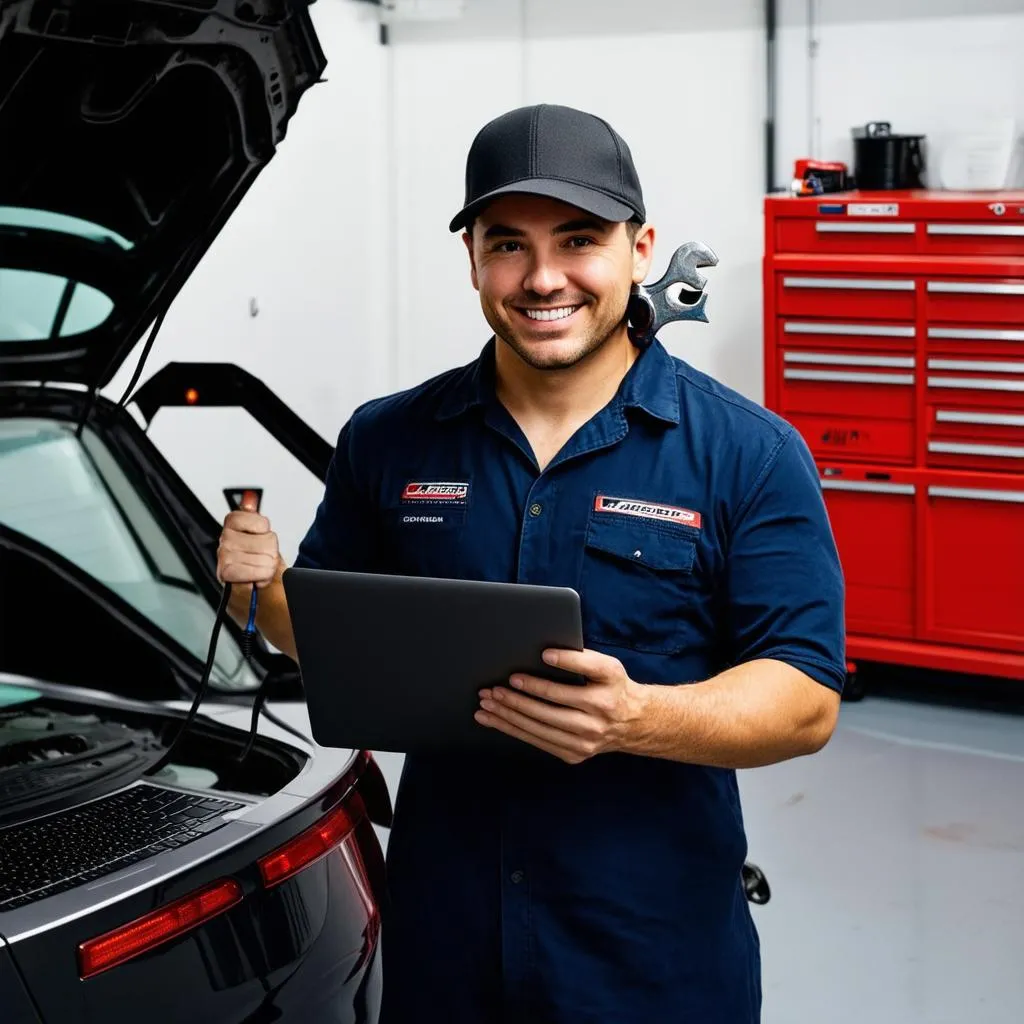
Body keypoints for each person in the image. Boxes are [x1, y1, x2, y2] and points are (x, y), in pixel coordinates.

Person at [217, 103, 846, 1023]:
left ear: (641, 249)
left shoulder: (747, 454)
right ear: (471, 256)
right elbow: (323, 637)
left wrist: (637, 717)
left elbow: (804, 697)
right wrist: (263, 591)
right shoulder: (388, 441)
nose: (543, 277)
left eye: (580, 239)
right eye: (507, 243)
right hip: (444, 941)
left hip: (647, 954)